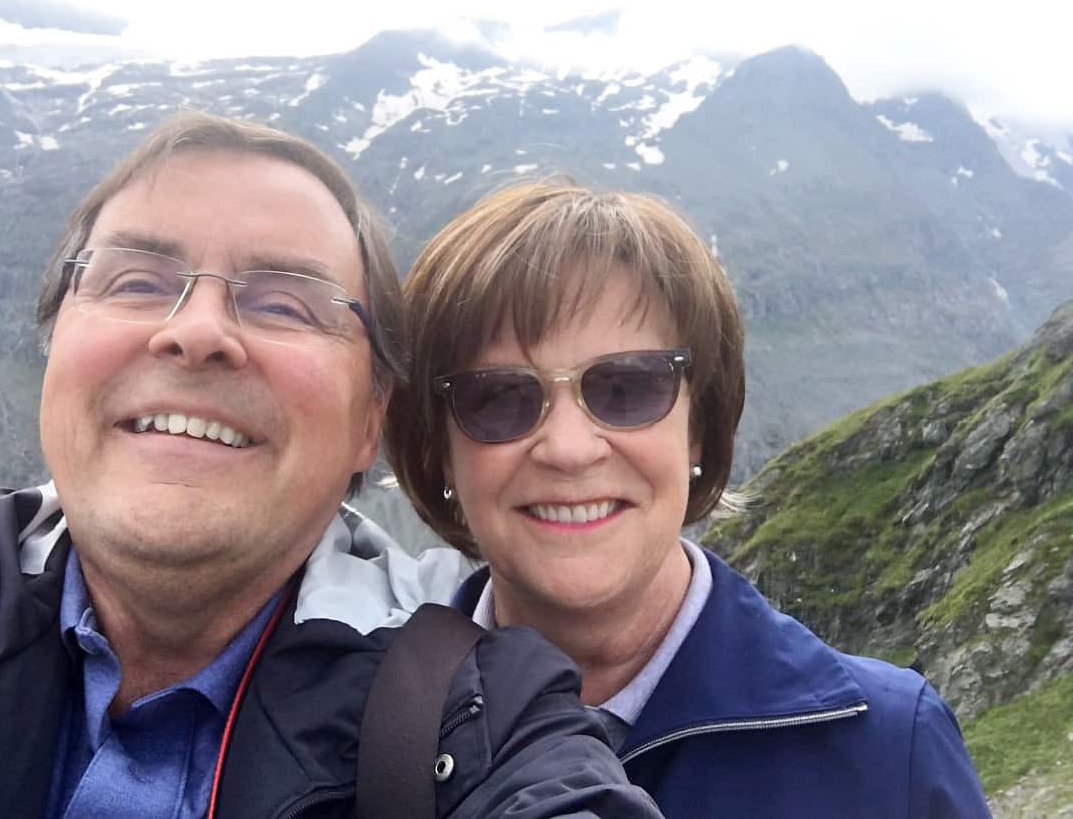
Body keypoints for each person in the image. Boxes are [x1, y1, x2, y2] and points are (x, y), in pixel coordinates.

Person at [0, 116, 662, 818]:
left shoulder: (480, 716)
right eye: (136, 282)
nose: (197, 330)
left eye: (284, 303)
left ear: (370, 422)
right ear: (54, 345)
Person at [385, 179, 993, 817]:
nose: (568, 448)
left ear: (698, 427)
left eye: (626, 388)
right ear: (439, 448)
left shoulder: (890, 753)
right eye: (499, 398)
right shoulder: (356, 728)